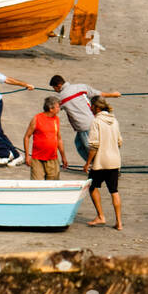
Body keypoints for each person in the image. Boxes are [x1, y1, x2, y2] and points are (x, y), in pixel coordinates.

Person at [50, 75, 121, 162]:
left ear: (59, 85)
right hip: (94, 120)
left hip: (83, 126)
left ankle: (100, 166)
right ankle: (97, 165)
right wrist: (113, 95)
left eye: (54, 88)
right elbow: (98, 94)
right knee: (79, 143)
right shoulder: (81, 87)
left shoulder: (60, 97)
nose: (54, 90)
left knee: (90, 148)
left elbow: (53, 109)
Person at [84, 95, 124, 229]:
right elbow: (119, 141)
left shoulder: (96, 122)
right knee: (114, 191)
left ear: (96, 107)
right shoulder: (114, 120)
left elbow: (94, 146)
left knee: (92, 187)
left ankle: (101, 216)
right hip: (114, 160)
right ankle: (119, 222)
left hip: (101, 162)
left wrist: (87, 163)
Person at [23, 95, 66, 181]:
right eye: (57, 107)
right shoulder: (37, 119)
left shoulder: (56, 119)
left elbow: (59, 139)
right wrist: (27, 156)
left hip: (52, 158)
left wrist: (63, 157)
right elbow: (26, 137)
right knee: (37, 185)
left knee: (53, 185)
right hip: (37, 159)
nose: (59, 109)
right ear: (51, 109)